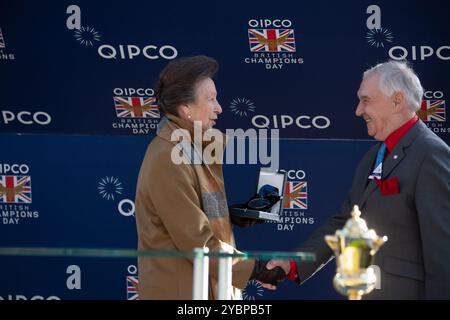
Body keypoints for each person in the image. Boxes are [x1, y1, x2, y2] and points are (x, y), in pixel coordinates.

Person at [268, 60, 450, 299]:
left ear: (397, 101)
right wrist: (294, 264)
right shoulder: (373, 156)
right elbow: (345, 223)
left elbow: (443, 255)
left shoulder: (431, 154)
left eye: (366, 100)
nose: (358, 110)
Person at [135, 55, 285, 300]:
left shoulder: (190, 148)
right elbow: (196, 240)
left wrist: (232, 215)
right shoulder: (168, 158)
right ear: (186, 109)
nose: (219, 108)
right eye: (211, 99)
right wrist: (254, 269)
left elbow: (193, 218)